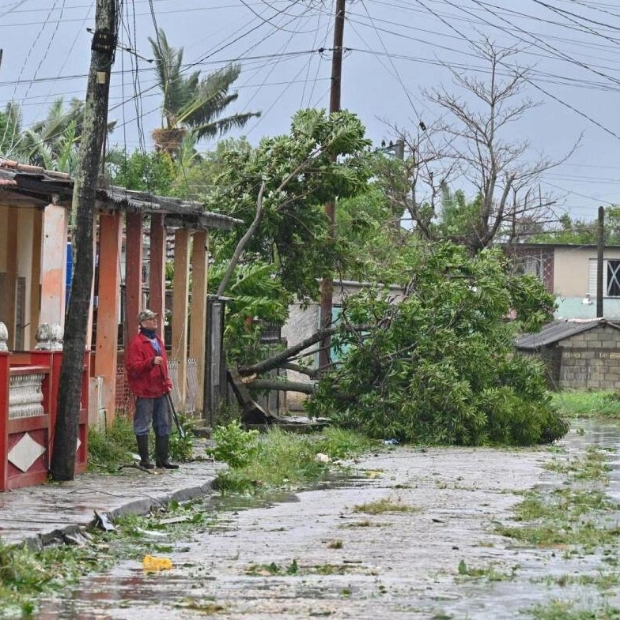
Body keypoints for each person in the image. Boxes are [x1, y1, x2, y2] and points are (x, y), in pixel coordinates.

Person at [125, 309, 179, 470]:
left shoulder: (158, 341)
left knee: (163, 423)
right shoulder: (137, 344)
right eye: (150, 319)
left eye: (155, 319)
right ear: (142, 323)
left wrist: (167, 381)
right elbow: (133, 367)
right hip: (145, 390)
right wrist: (150, 362)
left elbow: (164, 365)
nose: (155, 321)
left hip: (160, 388)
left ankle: (162, 459)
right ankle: (145, 459)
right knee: (143, 424)